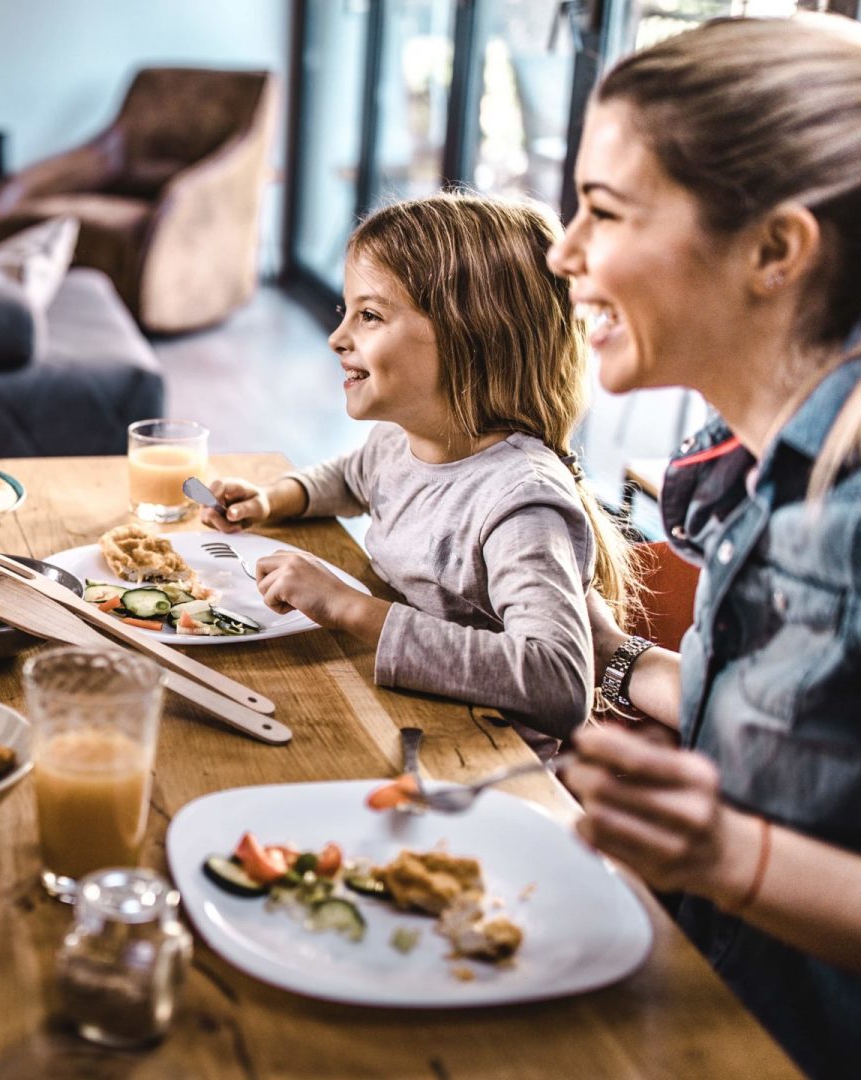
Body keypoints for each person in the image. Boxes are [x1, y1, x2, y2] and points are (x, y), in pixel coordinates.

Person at [543, 16, 861, 1079]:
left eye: (603, 210)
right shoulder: (759, 467)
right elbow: (807, 736)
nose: (563, 251)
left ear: (774, 250)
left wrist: (730, 855)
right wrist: (620, 665)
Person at [201, 193, 636, 743]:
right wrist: (272, 499)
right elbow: (348, 477)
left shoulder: (520, 501)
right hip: (398, 716)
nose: (338, 338)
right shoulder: (398, 442)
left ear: (472, 336)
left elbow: (557, 682)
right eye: (347, 312)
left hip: (478, 761)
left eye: (370, 316)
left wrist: (349, 608)